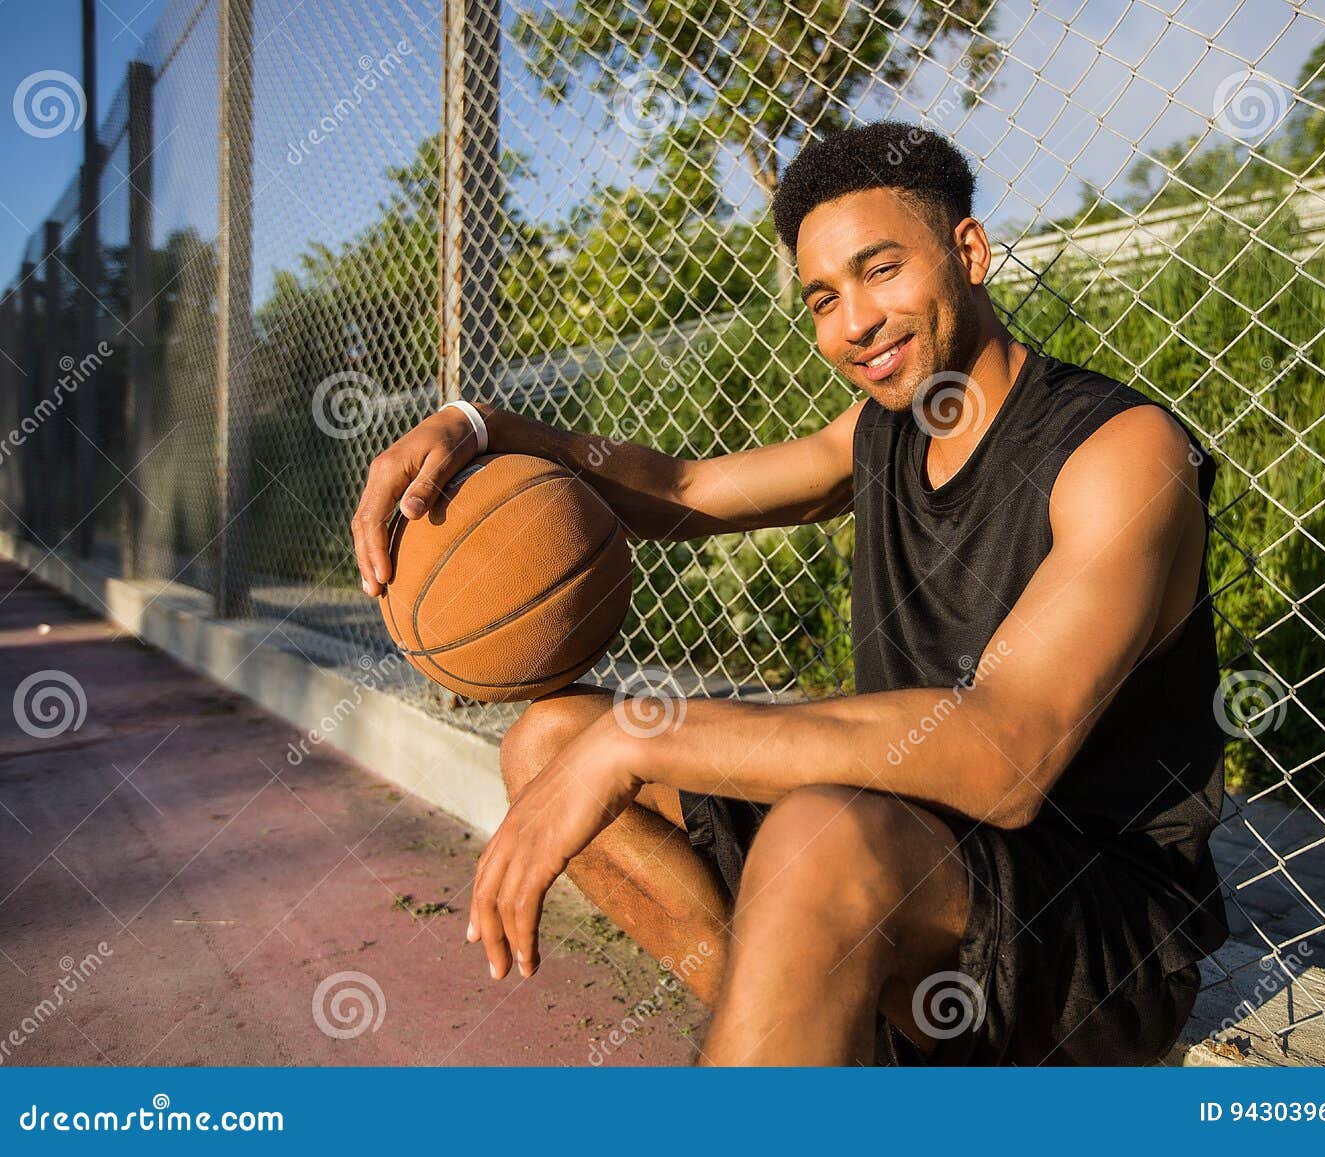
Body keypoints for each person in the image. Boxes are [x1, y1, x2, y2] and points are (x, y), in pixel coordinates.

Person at [350, 120, 1230, 1066]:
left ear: (969, 252)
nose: (853, 322)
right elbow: (681, 493)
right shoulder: (883, 429)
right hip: (900, 843)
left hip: (1094, 924)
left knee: (812, 831)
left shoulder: (1120, 451)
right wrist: (478, 424)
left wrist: (644, 734)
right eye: (822, 297)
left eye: (881, 269)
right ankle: (799, 1044)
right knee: (549, 742)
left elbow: (1005, 753)